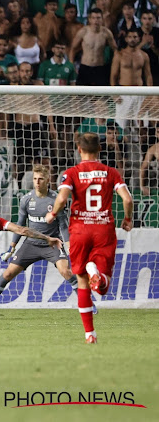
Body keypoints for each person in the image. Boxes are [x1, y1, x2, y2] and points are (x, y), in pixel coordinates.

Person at [45, 132, 134, 343]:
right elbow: (128, 199)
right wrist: (128, 219)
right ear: (100, 150)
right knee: (103, 287)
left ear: (79, 149)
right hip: (103, 228)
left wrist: (53, 214)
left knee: (82, 282)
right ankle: (99, 275)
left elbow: (62, 198)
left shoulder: (72, 173)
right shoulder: (111, 172)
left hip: (80, 230)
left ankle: (90, 334)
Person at [0, 165, 78, 313]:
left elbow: (63, 225)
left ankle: (87, 304)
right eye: (35, 179)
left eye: (40, 179)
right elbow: (20, 225)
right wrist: (12, 247)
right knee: (8, 273)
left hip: (52, 244)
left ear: (48, 180)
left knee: (66, 271)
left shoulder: (56, 199)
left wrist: (69, 246)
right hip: (31, 244)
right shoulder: (26, 199)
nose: (37, 182)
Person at [71, 8, 118, 85]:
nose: (96, 20)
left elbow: (115, 50)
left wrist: (115, 65)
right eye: (93, 18)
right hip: (85, 67)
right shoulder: (83, 31)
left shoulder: (106, 33)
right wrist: (72, 65)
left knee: (101, 94)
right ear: (89, 19)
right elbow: (73, 49)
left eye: (98, 18)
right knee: (81, 94)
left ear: (102, 19)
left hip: (100, 68)